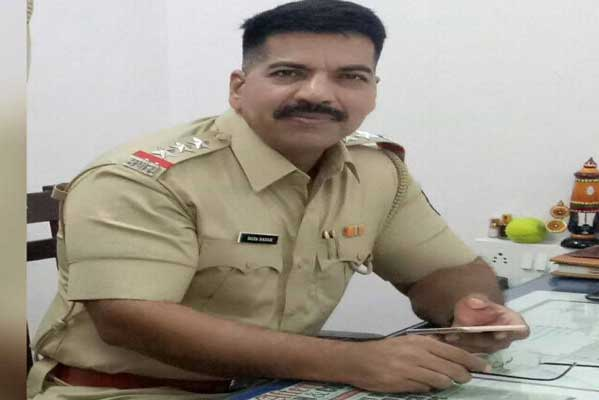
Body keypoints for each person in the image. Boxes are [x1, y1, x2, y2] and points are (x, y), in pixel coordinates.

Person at [28, 1, 529, 398]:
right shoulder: (145, 179)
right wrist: (350, 361)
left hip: (283, 387)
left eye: (350, 77)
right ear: (239, 87)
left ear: (373, 92)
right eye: (288, 73)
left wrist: (472, 308)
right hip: (128, 391)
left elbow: (441, 271)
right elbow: (130, 320)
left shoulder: (376, 171)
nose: (318, 93)